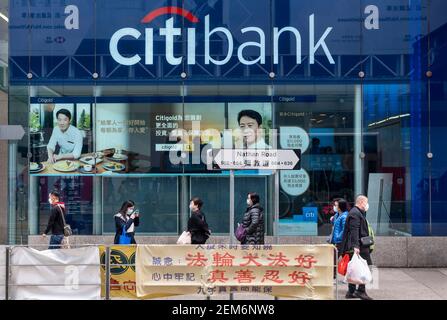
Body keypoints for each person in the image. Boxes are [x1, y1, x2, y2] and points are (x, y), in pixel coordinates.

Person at [340, 195, 374, 300]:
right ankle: (361, 291)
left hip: (356, 245)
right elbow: (354, 230)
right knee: (365, 267)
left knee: (353, 268)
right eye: (366, 202)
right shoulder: (355, 213)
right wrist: (356, 246)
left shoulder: (356, 212)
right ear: (361, 202)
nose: (367, 205)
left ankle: (351, 292)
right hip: (358, 246)